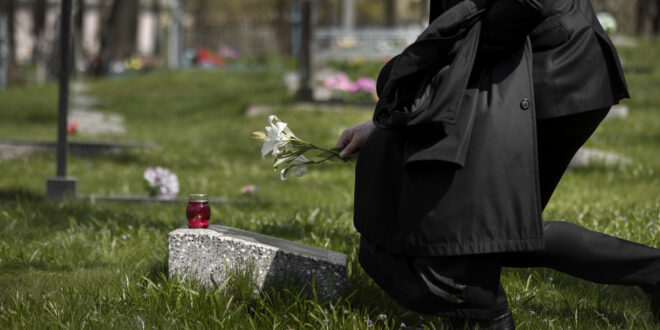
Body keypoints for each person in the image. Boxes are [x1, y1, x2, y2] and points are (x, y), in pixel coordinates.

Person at [335, 0, 660, 328]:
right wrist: (392, 116)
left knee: (487, 230)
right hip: (531, 73)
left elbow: (521, 6)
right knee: (495, 232)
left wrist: (457, 62)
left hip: (552, 73)